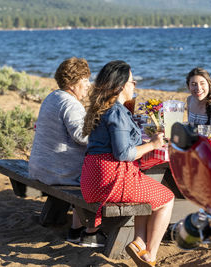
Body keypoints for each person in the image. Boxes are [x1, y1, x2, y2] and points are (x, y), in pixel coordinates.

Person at [81, 60, 174, 267]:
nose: (135, 86)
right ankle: (150, 254)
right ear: (122, 85)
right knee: (167, 198)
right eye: (133, 82)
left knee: (146, 190)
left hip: (91, 180)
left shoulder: (103, 109)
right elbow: (124, 154)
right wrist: (152, 145)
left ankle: (139, 242)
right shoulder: (116, 112)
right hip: (110, 180)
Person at [28, 57, 92, 245]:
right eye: (86, 80)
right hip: (60, 172)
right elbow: (83, 137)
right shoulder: (70, 104)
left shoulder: (53, 97)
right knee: (95, 172)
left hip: (41, 167)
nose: (88, 85)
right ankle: (78, 229)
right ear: (73, 82)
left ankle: (73, 224)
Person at [186, 67, 211, 132]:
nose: (198, 88)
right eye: (193, 84)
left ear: (209, 84)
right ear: (188, 87)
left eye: (202, 83)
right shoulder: (189, 100)